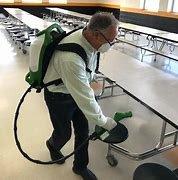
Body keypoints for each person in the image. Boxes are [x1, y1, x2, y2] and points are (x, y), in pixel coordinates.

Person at [44, 12, 119, 180]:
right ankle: (52, 145)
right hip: (59, 97)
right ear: (95, 34)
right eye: (110, 41)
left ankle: (80, 166)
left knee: (83, 132)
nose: (111, 45)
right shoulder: (70, 59)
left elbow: (87, 74)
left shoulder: (89, 40)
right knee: (64, 134)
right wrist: (105, 122)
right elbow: (84, 96)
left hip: (74, 89)